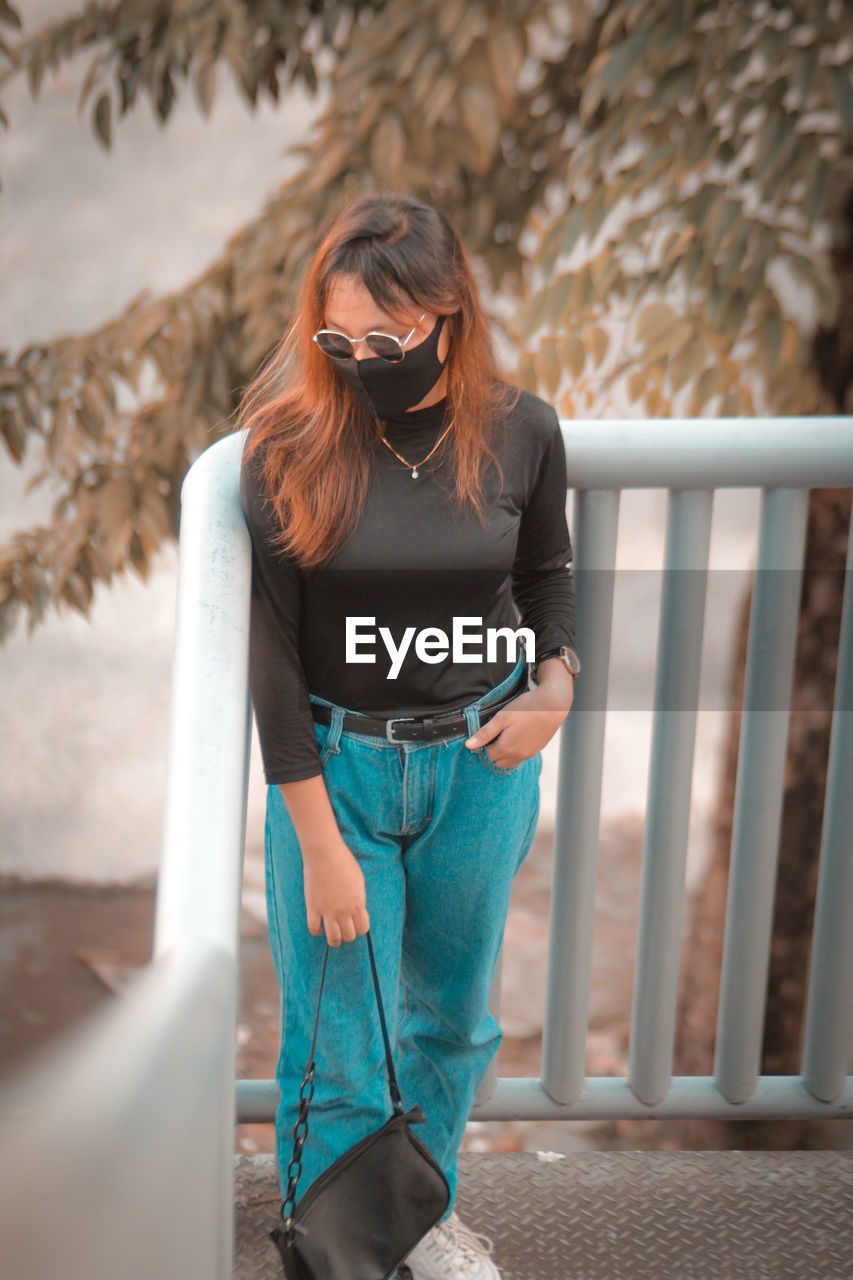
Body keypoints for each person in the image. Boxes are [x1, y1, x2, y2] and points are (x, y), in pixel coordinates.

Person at [236, 191, 579, 1280]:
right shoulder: (289, 444)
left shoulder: (523, 429)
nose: (359, 360)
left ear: (449, 312)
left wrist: (558, 680)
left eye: (386, 340)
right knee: (337, 1040)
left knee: (451, 1022)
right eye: (337, 341)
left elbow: (548, 575)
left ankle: (422, 1218)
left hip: (481, 769)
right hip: (335, 773)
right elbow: (276, 659)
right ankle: (335, 1246)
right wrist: (320, 841)